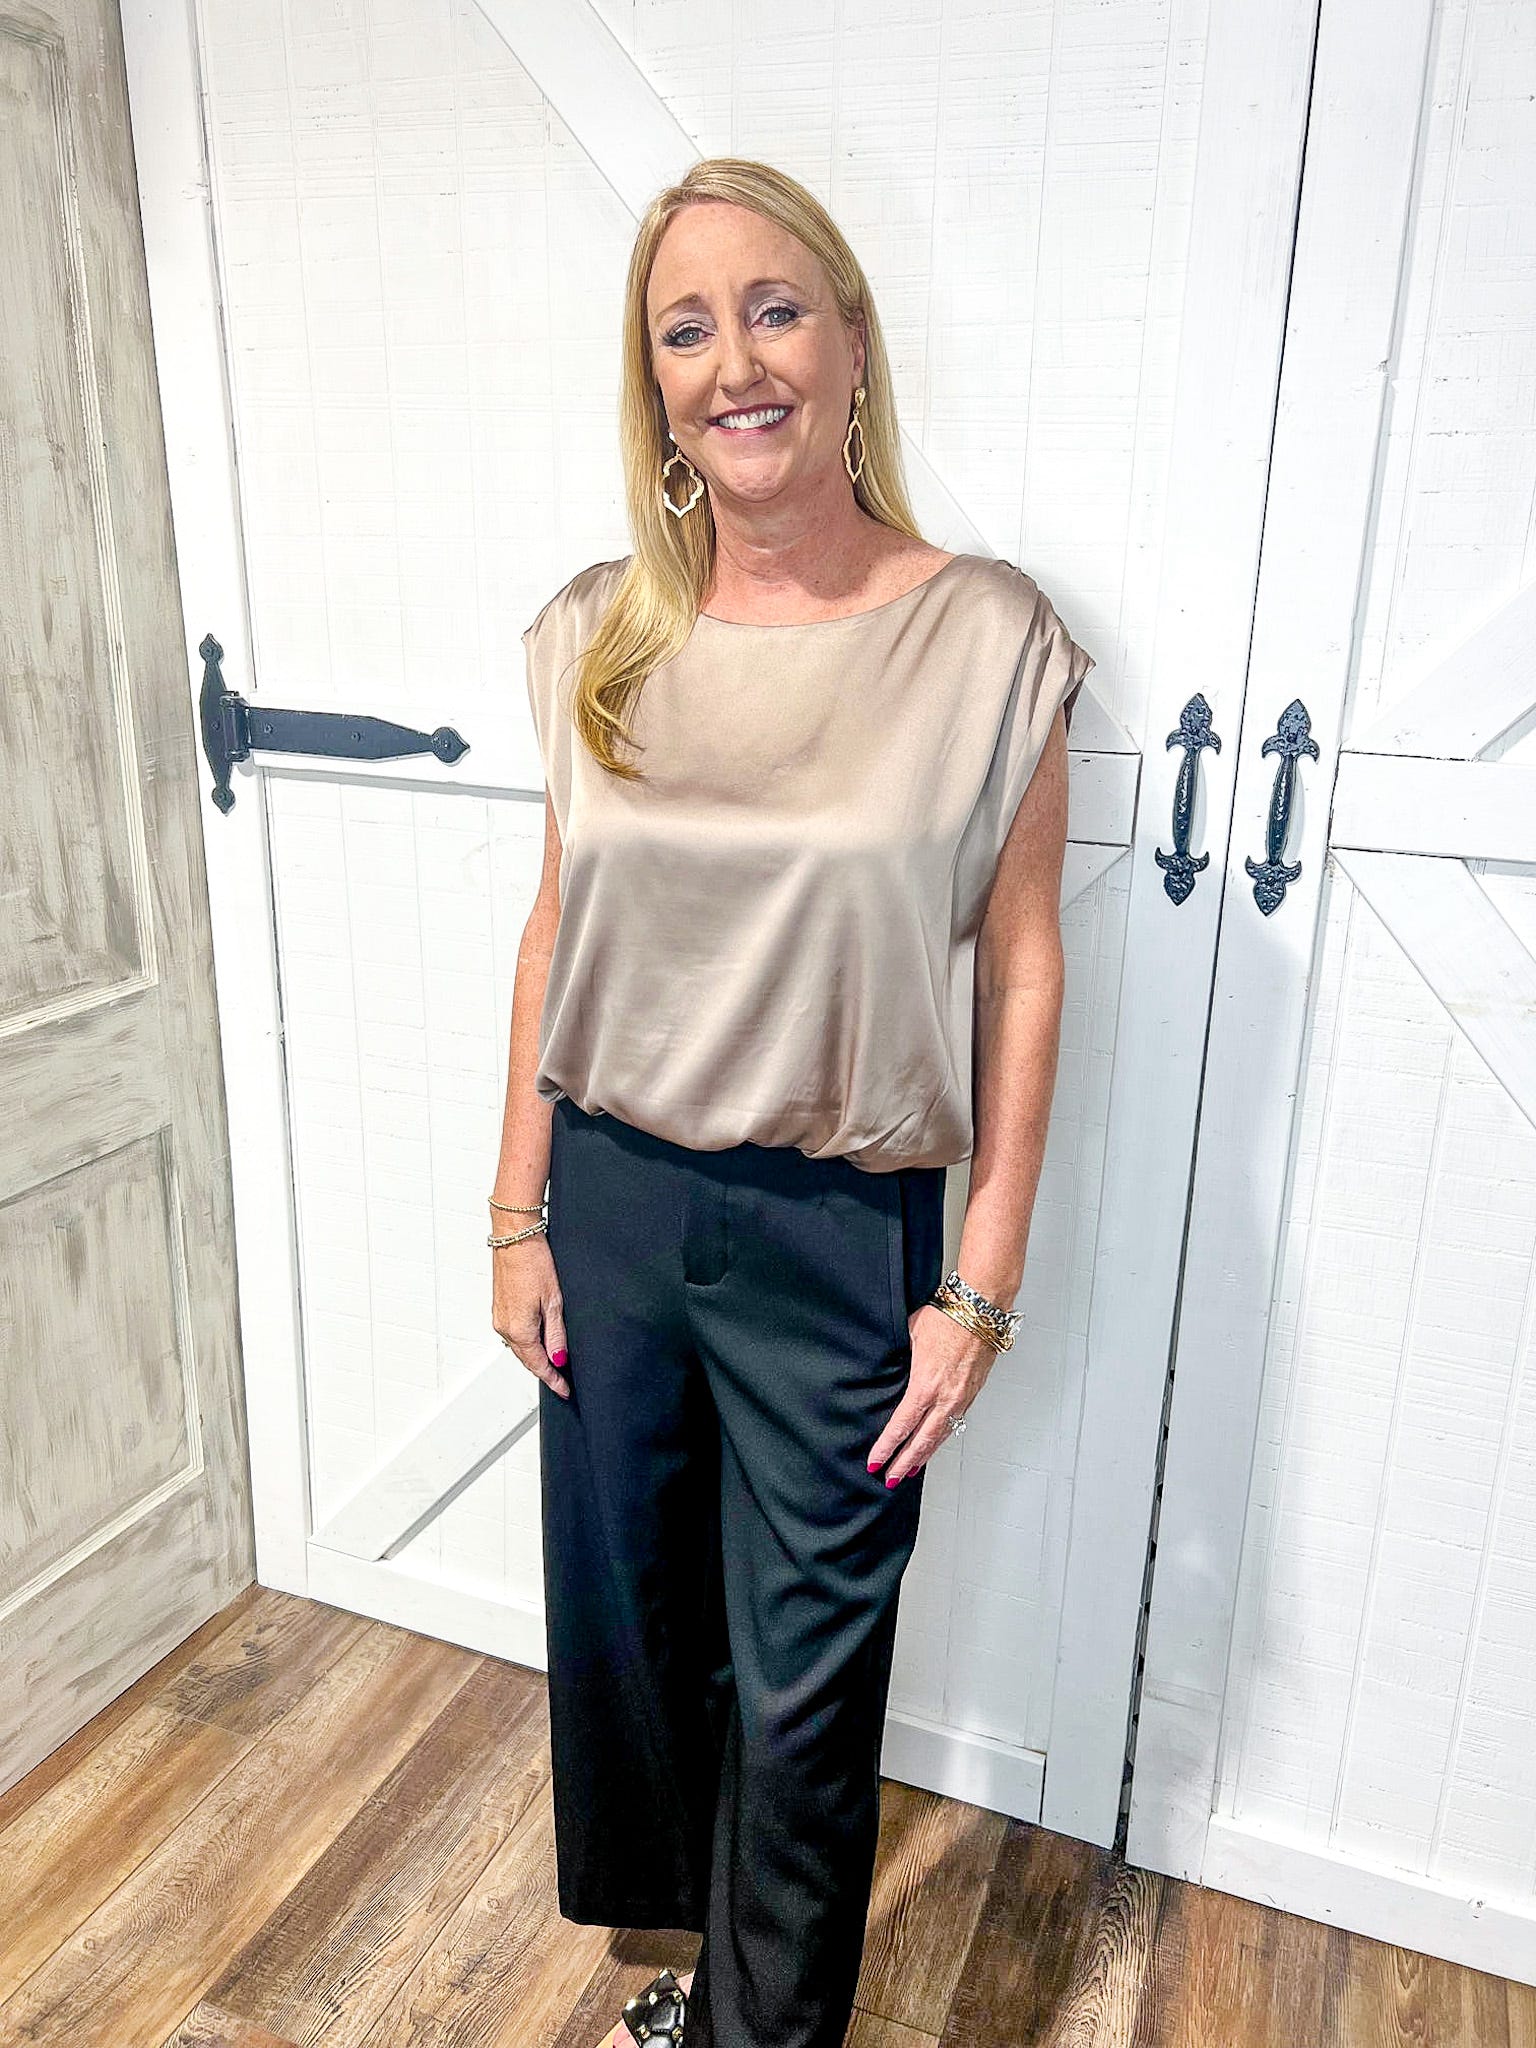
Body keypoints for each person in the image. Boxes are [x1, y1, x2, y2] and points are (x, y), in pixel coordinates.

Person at [489, 156, 1094, 2048]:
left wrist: (981, 1277)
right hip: (612, 1208)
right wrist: (513, 1213)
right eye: (686, 330)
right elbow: (555, 929)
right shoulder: (601, 632)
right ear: (655, 388)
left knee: (807, 1686)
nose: (734, 362)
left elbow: (1021, 967)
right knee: (644, 1638)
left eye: (773, 311)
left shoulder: (986, 638)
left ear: (849, 344)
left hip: (840, 1235)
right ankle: (698, 1983)